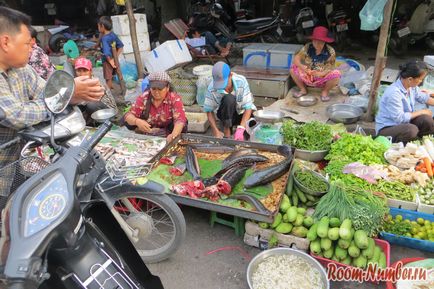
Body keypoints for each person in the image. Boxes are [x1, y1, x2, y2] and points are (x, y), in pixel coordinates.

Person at [0, 7, 104, 208]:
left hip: (17, 160)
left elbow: (47, 90)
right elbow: (16, 115)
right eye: (26, 45)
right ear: (5, 42)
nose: (32, 50)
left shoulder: (22, 70)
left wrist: (72, 91)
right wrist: (67, 95)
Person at [376, 60, 434, 143]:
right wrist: (421, 112)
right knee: (411, 130)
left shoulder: (411, 87)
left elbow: (424, 98)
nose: (421, 82)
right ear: (410, 79)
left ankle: (423, 143)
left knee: (426, 120)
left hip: (404, 124)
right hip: (387, 128)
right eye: (420, 79)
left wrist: (424, 112)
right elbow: (400, 118)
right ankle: (400, 147)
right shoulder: (394, 93)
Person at [123, 72, 187, 142]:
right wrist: (137, 121)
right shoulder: (144, 97)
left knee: (183, 124)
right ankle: (141, 131)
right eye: (153, 88)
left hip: (168, 129)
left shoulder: (174, 98)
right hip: (149, 129)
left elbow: (180, 120)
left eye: (160, 89)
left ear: (167, 88)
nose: (156, 92)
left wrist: (173, 135)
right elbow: (128, 115)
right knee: (129, 123)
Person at [203, 61, 256, 140]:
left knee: (251, 130)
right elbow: (209, 110)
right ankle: (227, 131)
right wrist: (215, 131)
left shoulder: (241, 81)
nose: (222, 87)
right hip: (225, 115)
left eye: (224, 83)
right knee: (228, 98)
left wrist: (241, 128)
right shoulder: (212, 87)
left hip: (241, 113)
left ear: (230, 75)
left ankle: (240, 130)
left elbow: (248, 108)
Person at [290, 26, 341, 102]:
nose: (317, 44)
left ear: (325, 41)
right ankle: (303, 90)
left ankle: (325, 92)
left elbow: (330, 69)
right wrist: (304, 68)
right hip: (307, 76)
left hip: (321, 79)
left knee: (337, 74)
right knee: (292, 69)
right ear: (312, 40)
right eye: (315, 41)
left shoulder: (330, 51)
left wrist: (319, 74)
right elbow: (296, 59)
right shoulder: (308, 47)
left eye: (320, 42)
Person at [74, 57, 118, 124]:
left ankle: (99, 122)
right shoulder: (77, 82)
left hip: (107, 109)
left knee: (90, 105)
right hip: (91, 105)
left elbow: (91, 100)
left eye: (85, 71)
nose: (81, 74)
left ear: (91, 71)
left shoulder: (96, 83)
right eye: (79, 71)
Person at [97, 16, 123, 89]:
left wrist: (111, 61)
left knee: (108, 77)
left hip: (107, 61)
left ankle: (108, 92)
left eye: (98, 26)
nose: (98, 28)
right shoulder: (113, 34)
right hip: (114, 59)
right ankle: (111, 86)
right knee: (112, 75)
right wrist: (115, 57)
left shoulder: (105, 38)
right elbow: (120, 46)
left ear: (102, 26)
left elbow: (106, 53)